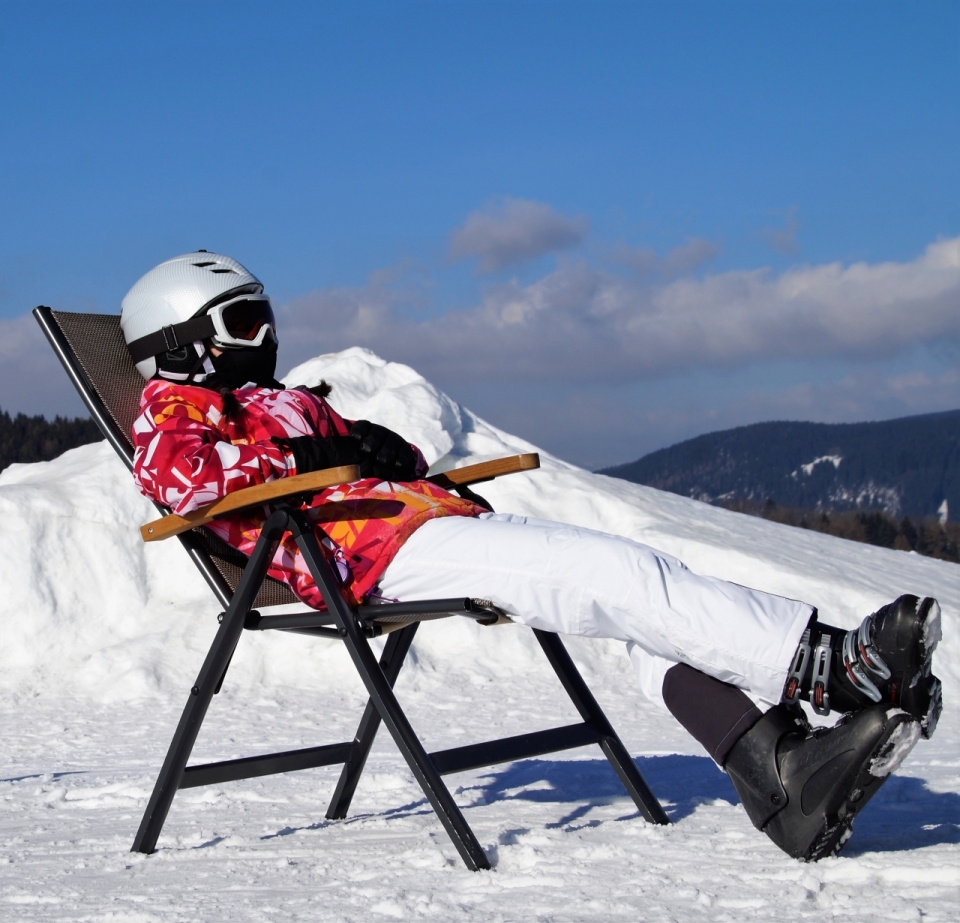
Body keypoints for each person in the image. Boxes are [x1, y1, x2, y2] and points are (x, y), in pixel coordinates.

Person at [121, 252, 943, 862]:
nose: (263, 338)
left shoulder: (278, 401)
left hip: (407, 526)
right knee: (610, 576)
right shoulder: (171, 411)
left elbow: (381, 453)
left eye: (266, 317)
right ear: (182, 344)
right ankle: (836, 668)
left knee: (622, 606)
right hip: (359, 551)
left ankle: (781, 773)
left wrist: (379, 445)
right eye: (241, 324)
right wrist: (317, 463)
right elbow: (181, 480)